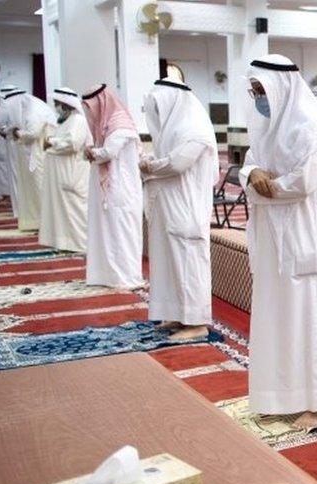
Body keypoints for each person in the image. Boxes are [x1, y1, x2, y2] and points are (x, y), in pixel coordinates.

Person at [240, 54, 317, 428]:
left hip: (308, 243)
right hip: (275, 243)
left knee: (312, 324)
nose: (258, 98)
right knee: (279, 321)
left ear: (280, 88)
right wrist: (254, 172)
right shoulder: (265, 127)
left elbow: (301, 184)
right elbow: (251, 165)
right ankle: (283, 395)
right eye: (254, 91)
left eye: (262, 90)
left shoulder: (313, 131)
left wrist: (264, 185)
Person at [140, 78, 217, 340]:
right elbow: (167, 161)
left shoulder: (194, 128)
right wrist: (152, 162)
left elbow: (178, 164)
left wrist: (150, 166)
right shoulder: (173, 131)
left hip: (187, 210)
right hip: (169, 208)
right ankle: (176, 313)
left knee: (188, 265)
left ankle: (196, 323)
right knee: (168, 263)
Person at [82, 84, 145, 289]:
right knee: (109, 232)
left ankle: (125, 276)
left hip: (121, 188)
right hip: (111, 189)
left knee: (121, 233)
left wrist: (93, 153)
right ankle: (107, 275)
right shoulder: (107, 126)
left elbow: (109, 152)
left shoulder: (120, 125)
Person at [39, 88, 91, 252]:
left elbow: (73, 143)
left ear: (65, 104)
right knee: (63, 211)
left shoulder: (78, 120)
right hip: (62, 174)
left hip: (72, 174)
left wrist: (51, 142)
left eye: (57, 104)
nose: (56, 108)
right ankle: (67, 243)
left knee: (75, 210)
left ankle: (81, 244)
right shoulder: (66, 121)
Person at [8, 90, 55, 231]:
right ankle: (37, 222)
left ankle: (47, 224)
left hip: (39, 155)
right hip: (33, 154)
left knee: (40, 189)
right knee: (33, 190)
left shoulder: (34, 110)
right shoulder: (27, 107)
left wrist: (17, 133)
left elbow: (33, 133)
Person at [0, 86, 20, 213]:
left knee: (8, 169)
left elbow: (0, 123)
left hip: (9, 142)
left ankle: (8, 197)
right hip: (4, 141)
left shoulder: (5, 105)